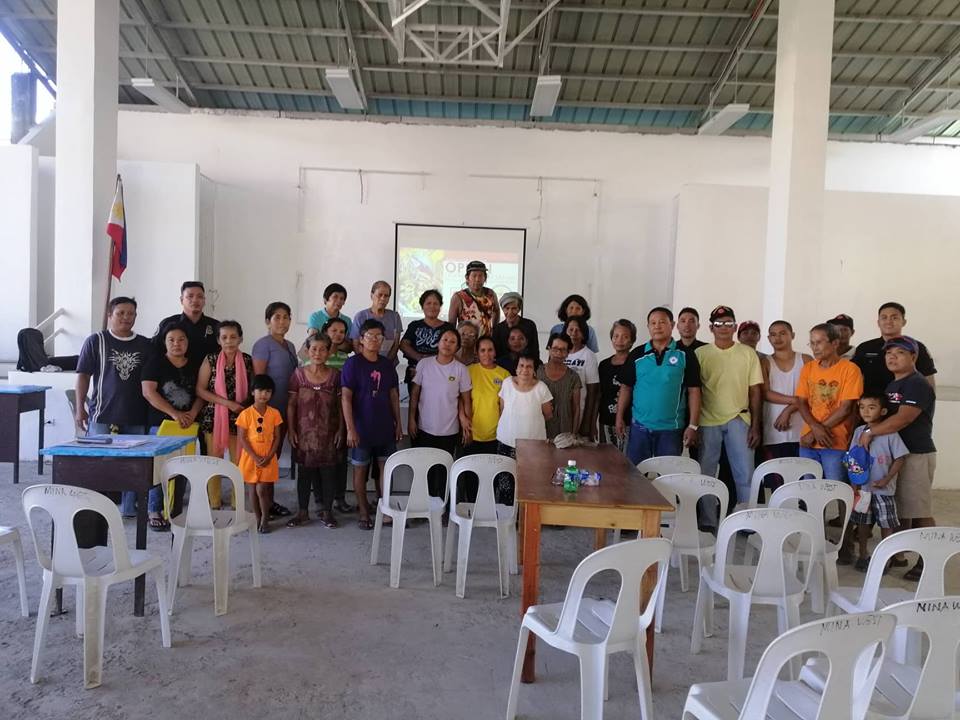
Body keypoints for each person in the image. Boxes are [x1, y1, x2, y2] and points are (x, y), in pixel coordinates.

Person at [858, 336, 937, 582]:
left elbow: (903, 419)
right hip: (895, 455)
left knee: (919, 510)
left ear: (913, 357)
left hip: (915, 453)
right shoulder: (894, 385)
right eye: (888, 353)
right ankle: (897, 555)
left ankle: (930, 560)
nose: (892, 357)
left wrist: (869, 432)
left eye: (899, 353)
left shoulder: (916, 383)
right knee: (900, 510)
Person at [75, 296, 154, 517]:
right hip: (102, 414)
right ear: (110, 315)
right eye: (120, 313)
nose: (126, 318)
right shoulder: (96, 341)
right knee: (98, 463)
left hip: (136, 415)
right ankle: (95, 508)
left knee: (134, 465)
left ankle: (129, 509)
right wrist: (80, 407)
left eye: (130, 314)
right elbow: (83, 376)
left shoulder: (145, 344)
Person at [695, 305, 763, 511]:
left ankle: (747, 521)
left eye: (728, 323)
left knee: (745, 474)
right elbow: (693, 392)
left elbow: (755, 391)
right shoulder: (701, 353)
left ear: (734, 327)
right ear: (711, 328)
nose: (723, 327)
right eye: (718, 324)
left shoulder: (748, 353)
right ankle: (706, 521)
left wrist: (755, 426)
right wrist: (693, 424)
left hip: (739, 419)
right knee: (706, 475)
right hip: (707, 421)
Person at [617, 307, 701, 465]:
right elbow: (626, 387)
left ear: (672, 324)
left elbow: (694, 391)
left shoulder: (685, 355)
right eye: (653, 323)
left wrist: (693, 425)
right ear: (648, 326)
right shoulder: (637, 354)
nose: (657, 326)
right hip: (639, 428)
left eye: (662, 322)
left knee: (668, 479)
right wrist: (619, 417)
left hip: (671, 430)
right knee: (635, 476)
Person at [141, 323, 204, 530]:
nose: (177, 344)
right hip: (161, 425)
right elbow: (149, 392)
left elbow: (202, 392)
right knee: (159, 470)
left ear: (188, 342)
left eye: (181, 339)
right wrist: (175, 414)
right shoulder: (155, 362)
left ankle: (174, 510)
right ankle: (154, 511)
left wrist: (192, 414)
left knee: (183, 468)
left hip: (187, 425)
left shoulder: (196, 364)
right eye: (171, 340)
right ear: (165, 342)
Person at [341, 318, 403, 530]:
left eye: (379, 337)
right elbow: (346, 398)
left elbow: (394, 395)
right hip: (361, 428)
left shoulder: (386, 365)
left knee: (385, 470)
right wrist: (350, 428)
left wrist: (398, 423)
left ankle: (385, 510)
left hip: (385, 426)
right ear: (361, 339)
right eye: (370, 336)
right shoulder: (353, 364)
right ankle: (363, 512)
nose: (375, 340)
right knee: (360, 471)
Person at [287, 334, 344, 529]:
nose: (317, 353)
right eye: (313, 349)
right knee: (304, 473)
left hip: (329, 434)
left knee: (329, 473)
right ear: (307, 351)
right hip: (304, 435)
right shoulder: (298, 375)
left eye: (322, 349)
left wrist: (341, 430)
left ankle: (327, 513)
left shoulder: (336, 376)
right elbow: (292, 405)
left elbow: (341, 406)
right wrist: (292, 429)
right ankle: (302, 512)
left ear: (328, 352)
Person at [408, 327, 472, 500]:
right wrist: (411, 420)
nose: (448, 344)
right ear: (437, 342)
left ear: (457, 346)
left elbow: (466, 399)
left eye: (453, 342)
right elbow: (415, 394)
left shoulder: (460, 369)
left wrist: (467, 425)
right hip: (425, 427)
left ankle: (442, 508)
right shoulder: (424, 364)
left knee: (444, 470)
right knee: (424, 469)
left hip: (449, 430)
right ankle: (424, 506)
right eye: (445, 340)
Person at [196, 320, 253, 509]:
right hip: (214, 419)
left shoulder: (247, 360)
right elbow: (200, 390)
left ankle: (238, 503)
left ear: (241, 338)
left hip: (240, 418)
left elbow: (254, 390)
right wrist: (228, 403)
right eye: (224, 337)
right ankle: (214, 502)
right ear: (219, 340)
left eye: (233, 337)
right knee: (215, 462)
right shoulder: (210, 359)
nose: (229, 341)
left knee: (239, 462)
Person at [847, 393, 908, 572]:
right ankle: (863, 554)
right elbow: (853, 459)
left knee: (886, 524)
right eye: (862, 407)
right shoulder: (859, 432)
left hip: (884, 490)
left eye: (871, 407)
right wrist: (854, 485)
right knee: (863, 523)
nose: (865, 411)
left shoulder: (891, 433)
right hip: (864, 488)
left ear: (882, 411)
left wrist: (886, 479)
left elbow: (900, 458)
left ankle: (885, 558)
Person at [796, 323, 863, 482]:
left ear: (834, 343)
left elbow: (846, 408)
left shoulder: (850, 369)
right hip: (808, 442)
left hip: (834, 441)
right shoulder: (808, 368)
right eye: (812, 343)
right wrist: (813, 429)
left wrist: (816, 432)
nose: (815, 347)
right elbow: (801, 401)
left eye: (819, 342)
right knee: (808, 488)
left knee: (836, 489)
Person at [252, 302, 298, 490]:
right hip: (269, 410)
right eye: (277, 317)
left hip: (286, 407)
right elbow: (259, 380)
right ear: (267, 321)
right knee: (265, 455)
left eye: (286, 317)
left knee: (275, 455)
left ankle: (269, 501)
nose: (282, 321)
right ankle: (263, 504)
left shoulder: (291, 346)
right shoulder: (263, 345)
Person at [853, 302, 936, 395]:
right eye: (884, 317)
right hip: (872, 406)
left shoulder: (917, 347)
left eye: (894, 317)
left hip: (906, 405)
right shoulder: (865, 348)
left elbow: (929, 384)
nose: (889, 321)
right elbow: (853, 379)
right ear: (878, 322)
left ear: (904, 322)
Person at [236, 374, 283, 533]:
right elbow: (242, 438)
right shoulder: (245, 414)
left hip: (268, 457)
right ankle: (256, 517)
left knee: (262, 490)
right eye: (260, 390)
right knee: (252, 490)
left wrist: (270, 456)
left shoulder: (275, 413)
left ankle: (265, 517)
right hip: (250, 457)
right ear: (252, 392)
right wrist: (255, 457)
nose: (264, 394)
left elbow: (277, 437)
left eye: (268, 391)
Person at [761, 321, 810, 463]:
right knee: (777, 480)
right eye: (773, 334)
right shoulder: (764, 362)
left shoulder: (806, 360)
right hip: (774, 432)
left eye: (782, 333)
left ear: (792, 335)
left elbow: (811, 393)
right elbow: (765, 393)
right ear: (769, 338)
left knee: (802, 479)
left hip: (803, 430)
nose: (777, 338)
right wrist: (795, 401)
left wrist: (787, 411)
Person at [399, 289, 455, 396]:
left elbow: (454, 348)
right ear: (422, 306)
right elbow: (403, 344)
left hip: (441, 374)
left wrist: (431, 363)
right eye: (428, 303)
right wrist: (420, 358)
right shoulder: (414, 325)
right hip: (416, 371)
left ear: (440, 306)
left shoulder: (448, 327)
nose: (432, 306)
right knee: (416, 407)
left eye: (436, 303)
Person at [497, 353, 553, 457]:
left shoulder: (541, 388)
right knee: (506, 472)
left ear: (534, 370)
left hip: (534, 445)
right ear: (516, 368)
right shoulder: (507, 383)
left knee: (532, 473)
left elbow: (548, 414)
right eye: (521, 365)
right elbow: (502, 409)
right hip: (506, 442)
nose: (525, 370)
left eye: (529, 366)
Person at [466, 336, 511, 455]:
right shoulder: (468, 371)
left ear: (495, 352)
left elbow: (506, 407)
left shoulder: (505, 375)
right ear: (477, 353)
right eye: (483, 350)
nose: (487, 354)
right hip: (470, 433)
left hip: (496, 435)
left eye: (490, 350)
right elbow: (461, 400)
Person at [153, 281, 220, 360]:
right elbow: (154, 351)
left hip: (208, 371)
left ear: (204, 300)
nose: (195, 300)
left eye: (200, 296)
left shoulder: (216, 326)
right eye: (190, 296)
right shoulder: (167, 323)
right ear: (181, 300)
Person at [598, 319, 637, 451]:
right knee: (606, 461)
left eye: (625, 337)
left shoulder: (636, 363)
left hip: (630, 422)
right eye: (616, 336)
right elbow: (599, 394)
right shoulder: (603, 365)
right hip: (606, 420)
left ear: (632, 340)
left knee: (627, 462)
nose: (620, 340)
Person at [537, 333, 582, 439]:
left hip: (564, 430)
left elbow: (576, 408)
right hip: (540, 430)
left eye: (563, 350)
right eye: (555, 348)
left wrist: (574, 434)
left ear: (568, 352)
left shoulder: (573, 377)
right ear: (548, 348)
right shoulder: (538, 372)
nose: (558, 353)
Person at [562, 316, 600, 440]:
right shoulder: (559, 353)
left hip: (580, 412)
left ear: (584, 334)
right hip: (560, 414)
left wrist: (587, 423)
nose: (574, 333)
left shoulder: (589, 355)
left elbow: (592, 392)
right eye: (570, 329)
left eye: (578, 330)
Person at [350, 281, 403, 365]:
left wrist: (386, 364)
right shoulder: (360, 316)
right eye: (380, 295)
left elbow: (396, 344)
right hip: (365, 364)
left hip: (389, 364)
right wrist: (366, 363)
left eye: (386, 296)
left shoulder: (395, 317)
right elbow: (356, 344)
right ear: (372, 295)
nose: (383, 298)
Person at [447, 260, 500, 337]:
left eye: (480, 276)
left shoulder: (491, 294)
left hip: (485, 343)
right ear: (467, 278)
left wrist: (495, 329)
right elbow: (452, 324)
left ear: (485, 278)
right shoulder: (458, 297)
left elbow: (497, 310)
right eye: (474, 275)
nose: (477, 279)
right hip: (465, 342)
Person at [492, 292, 540, 361]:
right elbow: (496, 355)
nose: (510, 312)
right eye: (507, 308)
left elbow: (535, 351)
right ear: (502, 309)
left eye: (514, 308)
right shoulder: (498, 329)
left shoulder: (530, 325)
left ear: (519, 309)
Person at [307, 282, 352, 353]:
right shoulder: (315, 317)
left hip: (340, 359)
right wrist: (337, 345)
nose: (339, 301)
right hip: (319, 356)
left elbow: (348, 346)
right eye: (335, 297)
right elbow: (312, 341)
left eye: (342, 298)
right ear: (326, 299)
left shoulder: (347, 320)